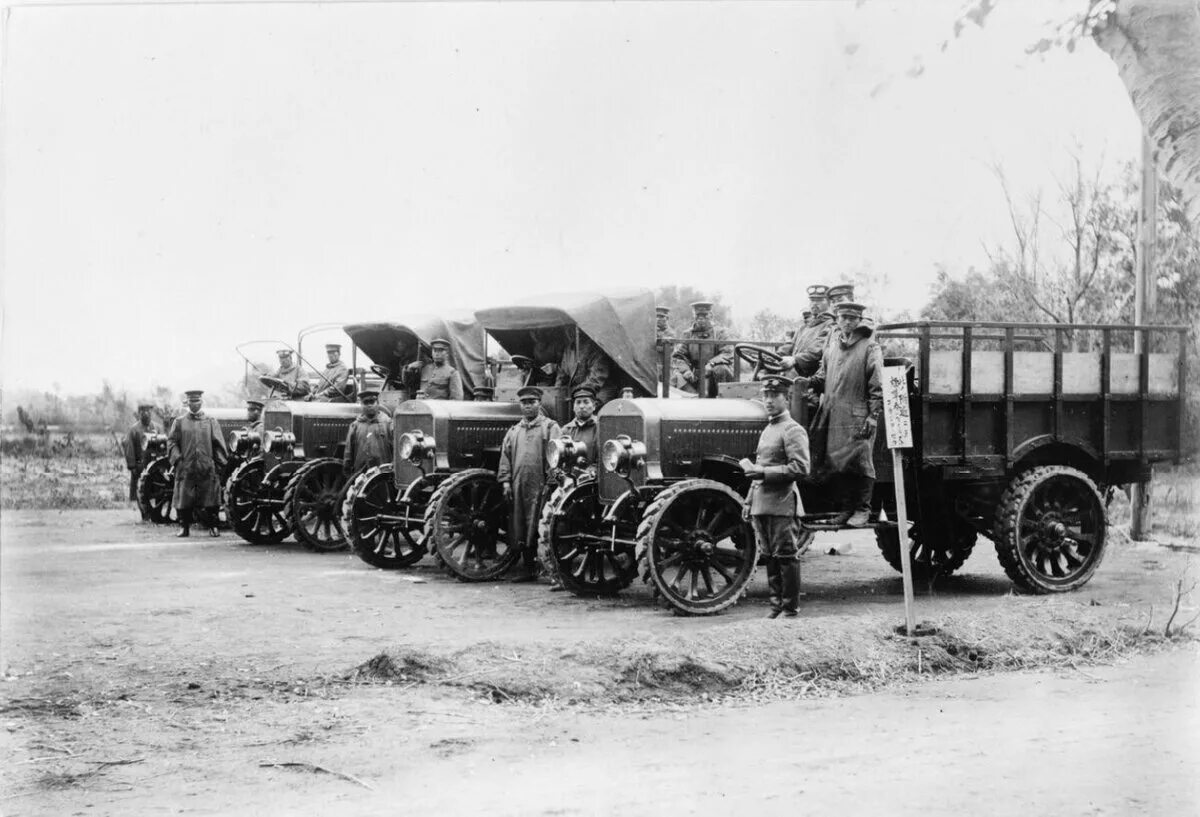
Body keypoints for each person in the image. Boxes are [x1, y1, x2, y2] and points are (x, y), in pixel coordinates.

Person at [807, 301, 883, 528]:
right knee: (838, 462)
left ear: (859, 321)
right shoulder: (832, 347)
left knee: (860, 463)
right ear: (837, 320)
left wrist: (873, 415)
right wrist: (806, 382)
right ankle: (846, 509)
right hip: (834, 414)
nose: (847, 322)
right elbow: (822, 376)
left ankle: (863, 509)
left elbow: (877, 385)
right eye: (843, 318)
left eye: (852, 318)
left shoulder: (870, 348)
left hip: (859, 415)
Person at [741, 375, 810, 618]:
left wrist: (763, 472)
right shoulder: (769, 429)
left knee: (786, 557)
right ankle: (776, 606)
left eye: (774, 396)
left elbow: (801, 468)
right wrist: (749, 501)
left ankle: (790, 609)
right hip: (762, 504)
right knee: (770, 557)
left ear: (786, 398)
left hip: (782, 504)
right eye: (765, 396)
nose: (768, 401)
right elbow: (758, 467)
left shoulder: (792, 429)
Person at [496, 386, 561, 582]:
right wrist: (506, 482)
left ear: (539, 404)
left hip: (541, 486)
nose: (528, 407)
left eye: (532, 403)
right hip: (518, 485)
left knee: (542, 525)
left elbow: (556, 455)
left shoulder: (550, 427)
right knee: (520, 524)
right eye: (524, 403)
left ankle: (550, 568)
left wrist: (552, 481)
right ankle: (528, 567)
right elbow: (505, 457)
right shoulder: (514, 431)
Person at [167, 390, 228, 538]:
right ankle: (184, 527)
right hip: (186, 466)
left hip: (206, 466)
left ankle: (213, 526)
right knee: (183, 497)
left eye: (197, 401)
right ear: (187, 403)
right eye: (191, 401)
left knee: (211, 497)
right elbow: (172, 442)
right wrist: (177, 459)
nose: (194, 404)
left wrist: (219, 463)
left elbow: (218, 442)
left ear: (201, 402)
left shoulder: (210, 421)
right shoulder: (180, 422)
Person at [671, 301, 735, 397]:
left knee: (720, 369)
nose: (701, 318)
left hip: (716, 374)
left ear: (711, 315)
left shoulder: (720, 332)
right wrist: (686, 371)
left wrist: (712, 364)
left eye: (705, 315)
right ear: (694, 316)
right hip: (695, 375)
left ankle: (722, 402)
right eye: (698, 315)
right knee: (676, 376)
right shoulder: (688, 334)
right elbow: (679, 356)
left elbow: (727, 353)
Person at [781, 284, 835, 378]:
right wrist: (779, 354)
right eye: (812, 300)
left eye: (819, 300)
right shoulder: (804, 327)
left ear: (829, 303)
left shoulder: (830, 325)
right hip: (794, 372)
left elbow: (817, 350)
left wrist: (795, 359)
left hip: (812, 378)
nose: (814, 303)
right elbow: (791, 345)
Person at [342, 389, 393, 478]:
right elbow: (348, 451)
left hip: (382, 475)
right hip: (360, 473)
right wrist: (347, 468)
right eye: (366, 402)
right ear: (361, 405)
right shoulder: (355, 426)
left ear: (377, 403)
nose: (369, 405)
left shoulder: (388, 424)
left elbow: (395, 448)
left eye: (372, 402)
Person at [555, 331, 615, 404]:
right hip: (578, 391)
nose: (569, 332)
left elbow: (598, 376)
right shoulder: (569, 349)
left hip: (600, 390)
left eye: (571, 328)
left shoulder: (593, 347)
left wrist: (578, 391)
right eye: (567, 329)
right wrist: (557, 390)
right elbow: (562, 373)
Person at [124, 403, 161, 519]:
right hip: (140, 466)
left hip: (155, 466)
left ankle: (157, 514)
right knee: (141, 492)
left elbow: (163, 445)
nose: (146, 414)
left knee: (157, 490)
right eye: (143, 412)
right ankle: (144, 515)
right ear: (139, 414)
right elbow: (129, 448)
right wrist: (132, 466)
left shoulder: (157, 428)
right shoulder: (134, 430)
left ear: (151, 413)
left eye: (148, 411)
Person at [560, 386, 600, 466]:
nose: (581, 406)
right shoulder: (566, 430)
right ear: (573, 407)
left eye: (586, 402)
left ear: (594, 406)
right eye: (578, 402)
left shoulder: (600, 427)